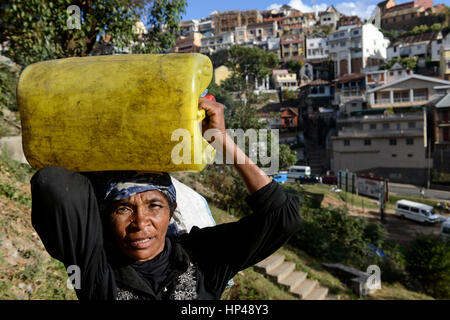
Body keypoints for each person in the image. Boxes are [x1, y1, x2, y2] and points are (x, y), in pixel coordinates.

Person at [30, 97, 302, 300]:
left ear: (171, 211)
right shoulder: (95, 267)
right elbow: (51, 183)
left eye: (154, 205)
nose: (140, 222)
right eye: (123, 208)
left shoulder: (202, 258)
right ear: (104, 217)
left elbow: (282, 219)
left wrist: (220, 141)